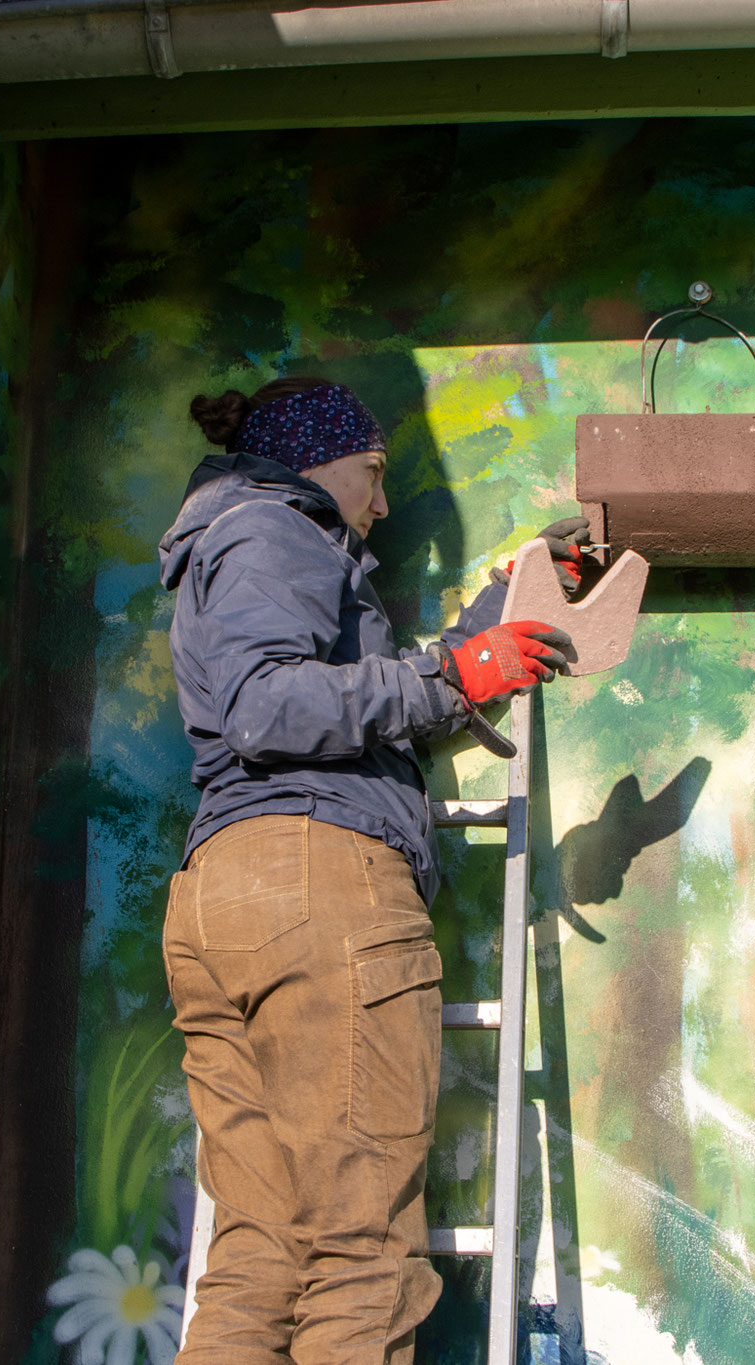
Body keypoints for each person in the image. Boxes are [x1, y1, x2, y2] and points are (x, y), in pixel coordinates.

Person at [157, 376, 590, 1364]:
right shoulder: (277, 531)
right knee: (362, 1262)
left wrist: (492, 624)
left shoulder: (232, 540)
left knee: (259, 1259)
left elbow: (342, 705)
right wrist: (451, 676)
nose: (383, 505)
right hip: (317, 888)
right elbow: (269, 710)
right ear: (315, 460)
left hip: (224, 898)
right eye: (374, 474)